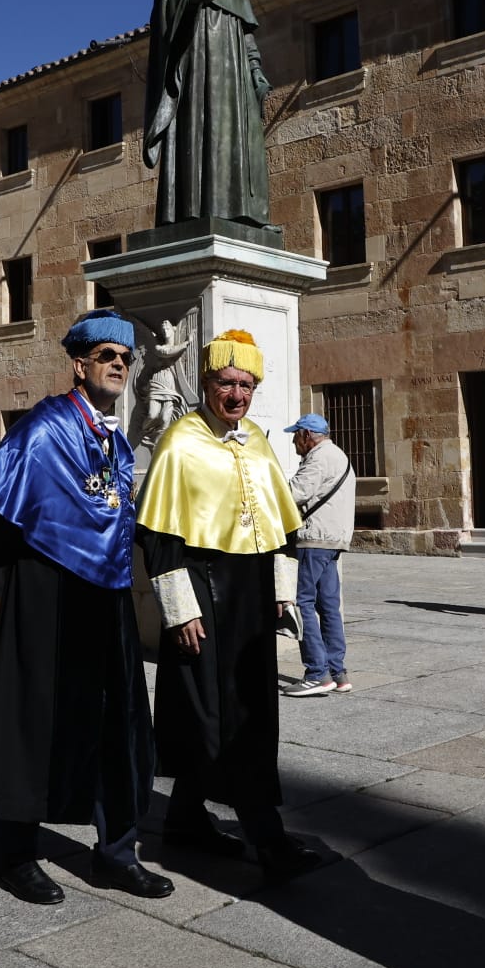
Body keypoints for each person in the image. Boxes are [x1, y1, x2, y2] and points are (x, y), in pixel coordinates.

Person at [0, 309, 174, 905]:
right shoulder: (43, 428)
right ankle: (16, 854)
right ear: (80, 364)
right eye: (107, 358)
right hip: (46, 592)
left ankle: (117, 851)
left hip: (106, 595)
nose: (118, 367)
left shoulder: (113, 437)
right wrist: (3, 588)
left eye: (125, 360)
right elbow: (0, 514)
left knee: (118, 719)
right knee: (33, 718)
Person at [138, 328, 320, 879]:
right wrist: (179, 607)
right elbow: (159, 536)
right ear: (206, 384)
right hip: (202, 594)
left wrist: (283, 595)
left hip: (251, 597)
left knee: (245, 709)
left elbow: (284, 528)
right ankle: (268, 840)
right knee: (215, 714)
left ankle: (184, 822)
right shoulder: (180, 441)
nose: (237, 395)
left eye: (246, 385)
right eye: (226, 383)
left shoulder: (260, 440)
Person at [143, 0, 273, 229]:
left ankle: (244, 213)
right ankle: (195, 210)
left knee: (241, 136)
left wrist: (256, 69)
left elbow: (246, 28)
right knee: (203, 128)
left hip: (234, 65)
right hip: (200, 56)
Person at [280, 413, 356, 697]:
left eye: (295, 435)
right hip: (334, 539)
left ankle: (316, 673)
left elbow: (296, 493)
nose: (293, 441)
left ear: (307, 435)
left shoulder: (319, 458)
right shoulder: (339, 455)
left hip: (314, 538)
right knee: (328, 606)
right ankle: (338, 672)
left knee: (303, 603)